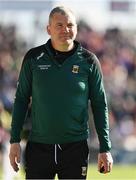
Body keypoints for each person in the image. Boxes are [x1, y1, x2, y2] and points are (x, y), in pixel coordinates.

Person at [9, 6, 113, 179]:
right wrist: (14, 140)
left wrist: (105, 147)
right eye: (59, 25)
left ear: (76, 28)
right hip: (39, 147)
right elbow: (21, 100)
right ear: (48, 29)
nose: (65, 29)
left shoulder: (89, 61)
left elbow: (99, 104)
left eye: (70, 25)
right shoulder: (33, 58)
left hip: (75, 149)